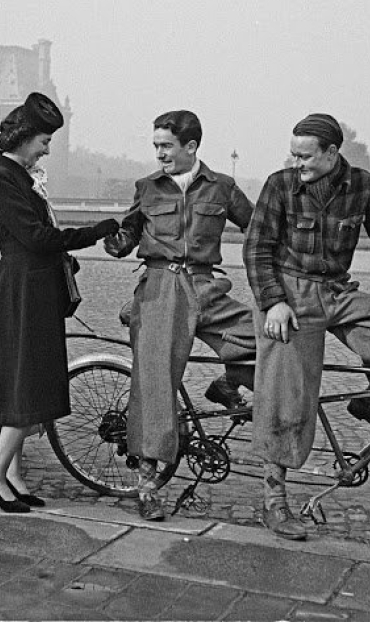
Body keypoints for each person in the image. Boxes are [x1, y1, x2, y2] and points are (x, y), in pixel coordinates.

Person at [243, 113, 370, 540]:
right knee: (289, 401)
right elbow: (256, 250)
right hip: (289, 299)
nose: (297, 163)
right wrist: (273, 303)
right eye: (293, 154)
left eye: (305, 156)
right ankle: (274, 503)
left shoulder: (365, 186)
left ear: (332, 153)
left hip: (337, 291)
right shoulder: (279, 184)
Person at [103, 109, 258, 521]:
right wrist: (112, 240)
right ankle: (149, 483)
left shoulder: (223, 187)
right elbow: (126, 239)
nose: (159, 155)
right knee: (155, 386)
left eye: (166, 146)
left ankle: (228, 386)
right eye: (155, 147)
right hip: (160, 289)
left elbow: (259, 231)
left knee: (268, 341)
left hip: (207, 287)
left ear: (191, 147)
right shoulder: (147, 188)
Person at [0, 92, 119, 512]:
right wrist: (95, 231)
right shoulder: (2, 178)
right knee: (28, 384)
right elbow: (38, 239)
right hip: (25, 290)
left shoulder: (15, 175)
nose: (47, 149)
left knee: (25, 382)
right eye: (44, 140)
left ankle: (14, 477)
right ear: (24, 137)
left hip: (31, 289)